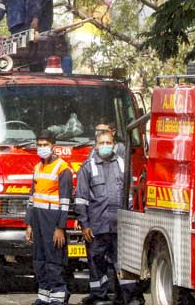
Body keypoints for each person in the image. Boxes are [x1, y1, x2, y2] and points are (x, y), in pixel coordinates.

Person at [75, 131, 144, 305]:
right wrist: (84, 224)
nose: (105, 146)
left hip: (119, 225)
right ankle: (99, 296)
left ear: (114, 145)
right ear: (96, 146)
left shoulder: (122, 164)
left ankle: (129, 297)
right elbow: (81, 199)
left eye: (108, 142)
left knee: (123, 263)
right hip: (97, 226)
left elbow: (129, 195)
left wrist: (131, 221)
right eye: (102, 143)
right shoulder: (87, 167)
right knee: (96, 262)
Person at [25, 130, 73, 305]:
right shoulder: (37, 168)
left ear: (53, 146)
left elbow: (66, 201)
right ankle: (44, 297)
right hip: (37, 220)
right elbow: (32, 198)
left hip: (52, 220)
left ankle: (58, 297)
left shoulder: (63, 169)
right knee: (39, 260)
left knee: (54, 260)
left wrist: (60, 227)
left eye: (45, 145)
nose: (42, 148)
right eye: (39, 144)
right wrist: (29, 224)